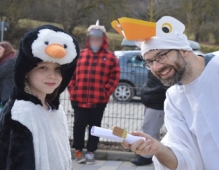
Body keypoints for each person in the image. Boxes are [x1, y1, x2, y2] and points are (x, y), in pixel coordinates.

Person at [117, 16, 219, 169]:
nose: (156, 68)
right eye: (150, 62)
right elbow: (184, 156)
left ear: (183, 50)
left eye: (161, 56)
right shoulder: (174, 99)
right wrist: (158, 148)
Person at [0, 25, 80, 169]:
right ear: (26, 71)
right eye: (43, 67)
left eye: (58, 69)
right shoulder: (20, 114)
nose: (52, 76)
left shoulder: (56, 110)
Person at [68, 20, 120, 164]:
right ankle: (78, 150)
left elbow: (115, 77)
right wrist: (72, 90)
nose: (95, 40)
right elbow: (70, 75)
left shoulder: (110, 57)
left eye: (98, 38)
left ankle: (91, 152)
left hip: (99, 100)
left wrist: (105, 92)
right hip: (79, 98)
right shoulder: (80, 54)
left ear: (103, 40)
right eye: (92, 38)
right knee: (78, 125)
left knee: (95, 127)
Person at [130, 60, 168, 166]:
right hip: (152, 102)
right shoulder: (156, 64)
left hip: (157, 104)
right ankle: (151, 154)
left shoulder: (164, 68)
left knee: (149, 129)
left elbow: (161, 87)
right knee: (151, 130)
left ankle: (147, 156)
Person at [0, 41, 17, 107]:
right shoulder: (3, 61)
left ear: (6, 50)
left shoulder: (11, 61)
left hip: (10, 97)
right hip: (6, 97)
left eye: (0, 49)